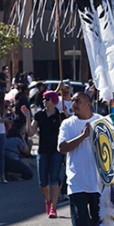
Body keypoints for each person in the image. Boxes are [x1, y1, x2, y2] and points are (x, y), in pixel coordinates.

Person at [57, 92, 105, 226]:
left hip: (98, 179)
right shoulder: (67, 124)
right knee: (80, 217)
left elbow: (113, 149)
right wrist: (83, 136)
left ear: (88, 104)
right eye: (73, 101)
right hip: (76, 178)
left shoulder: (101, 120)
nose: (74, 104)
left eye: (78, 101)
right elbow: (62, 148)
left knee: (97, 216)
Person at [26, 90, 66, 218]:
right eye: (43, 99)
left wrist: (66, 152)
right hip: (42, 151)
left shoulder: (60, 116)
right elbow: (30, 133)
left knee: (54, 178)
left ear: (54, 101)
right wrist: (28, 117)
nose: (44, 101)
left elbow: (66, 134)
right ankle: (48, 200)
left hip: (57, 151)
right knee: (42, 182)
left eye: (47, 99)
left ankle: (54, 207)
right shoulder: (39, 115)